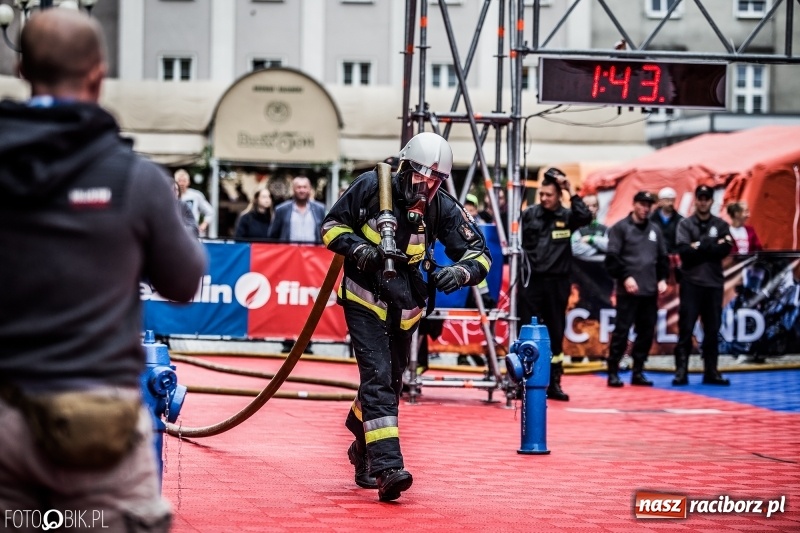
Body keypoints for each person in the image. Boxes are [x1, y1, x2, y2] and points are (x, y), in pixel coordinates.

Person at [0, 9, 207, 531]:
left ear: (23, 71)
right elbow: (184, 281)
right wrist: (168, 210)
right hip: (98, 418)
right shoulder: (134, 177)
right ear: (98, 74)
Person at [321, 132, 491, 501]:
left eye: (435, 182)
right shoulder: (371, 187)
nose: (425, 189)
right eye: (420, 178)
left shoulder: (441, 206)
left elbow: (479, 252)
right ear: (404, 169)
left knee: (390, 384)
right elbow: (332, 227)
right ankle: (387, 469)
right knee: (379, 377)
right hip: (365, 298)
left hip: (406, 305)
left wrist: (461, 272)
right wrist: (363, 251)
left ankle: (361, 449)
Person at [518, 167, 592, 401]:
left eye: (549, 195)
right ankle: (523, 381)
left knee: (555, 332)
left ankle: (555, 382)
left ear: (559, 195)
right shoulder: (530, 214)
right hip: (531, 282)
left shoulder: (567, 216)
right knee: (526, 331)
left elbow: (586, 217)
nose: (543, 198)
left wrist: (571, 191)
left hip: (557, 283)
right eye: (541, 194)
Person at [604, 191, 669, 387]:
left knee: (646, 332)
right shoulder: (620, 228)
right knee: (622, 332)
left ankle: (638, 371)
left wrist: (662, 278)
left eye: (649, 205)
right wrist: (625, 277)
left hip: (649, 291)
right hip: (628, 291)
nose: (645, 208)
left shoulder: (655, 230)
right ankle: (613, 371)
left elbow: (663, 258)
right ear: (634, 204)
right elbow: (612, 259)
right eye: (642, 204)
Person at [672, 185, 734, 386]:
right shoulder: (685, 224)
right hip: (691, 284)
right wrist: (709, 244)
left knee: (712, 330)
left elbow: (725, 249)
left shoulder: (721, 224)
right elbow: (684, 252)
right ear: (696, 200)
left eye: (707, 198)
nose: (703, 202)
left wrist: (698, 245)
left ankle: (711, 371)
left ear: (711, 201)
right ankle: (681, 371)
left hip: (713, 284)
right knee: (686, 329)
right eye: (700, 198)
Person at [268, 175, 326, 243]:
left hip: (313, 249)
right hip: (289, 249)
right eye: (299, 187)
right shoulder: (281, 210)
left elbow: (324, 234)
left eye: (305, 187)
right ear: (293, 189)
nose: (302, 190)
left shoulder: (320, 209)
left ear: (309, 189)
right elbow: (273, 235)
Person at [175, 167, 214, 237]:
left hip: (192, 232)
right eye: (179, 181)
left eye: (184, 181)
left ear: (188, 182)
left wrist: (204, 225)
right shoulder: (171, 197)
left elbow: (210, 211)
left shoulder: (196, 195)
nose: (181, 183)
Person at [571, 194, 608, 262]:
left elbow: (610, 246)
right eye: (587, 206)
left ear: (598, 207)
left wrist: (591, 239)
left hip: (601, 266)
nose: (591, 209)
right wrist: (599, 248)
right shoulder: (577, 228)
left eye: (594, 206)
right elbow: (574, 248)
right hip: (582, 266)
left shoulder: (604, 228)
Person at [650, 187, 684, 254]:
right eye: (667, 200)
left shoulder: (680, 220)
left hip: (672, 255)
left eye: (672, 200)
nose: (670, 203)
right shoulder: (651, 219)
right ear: (660, 202)